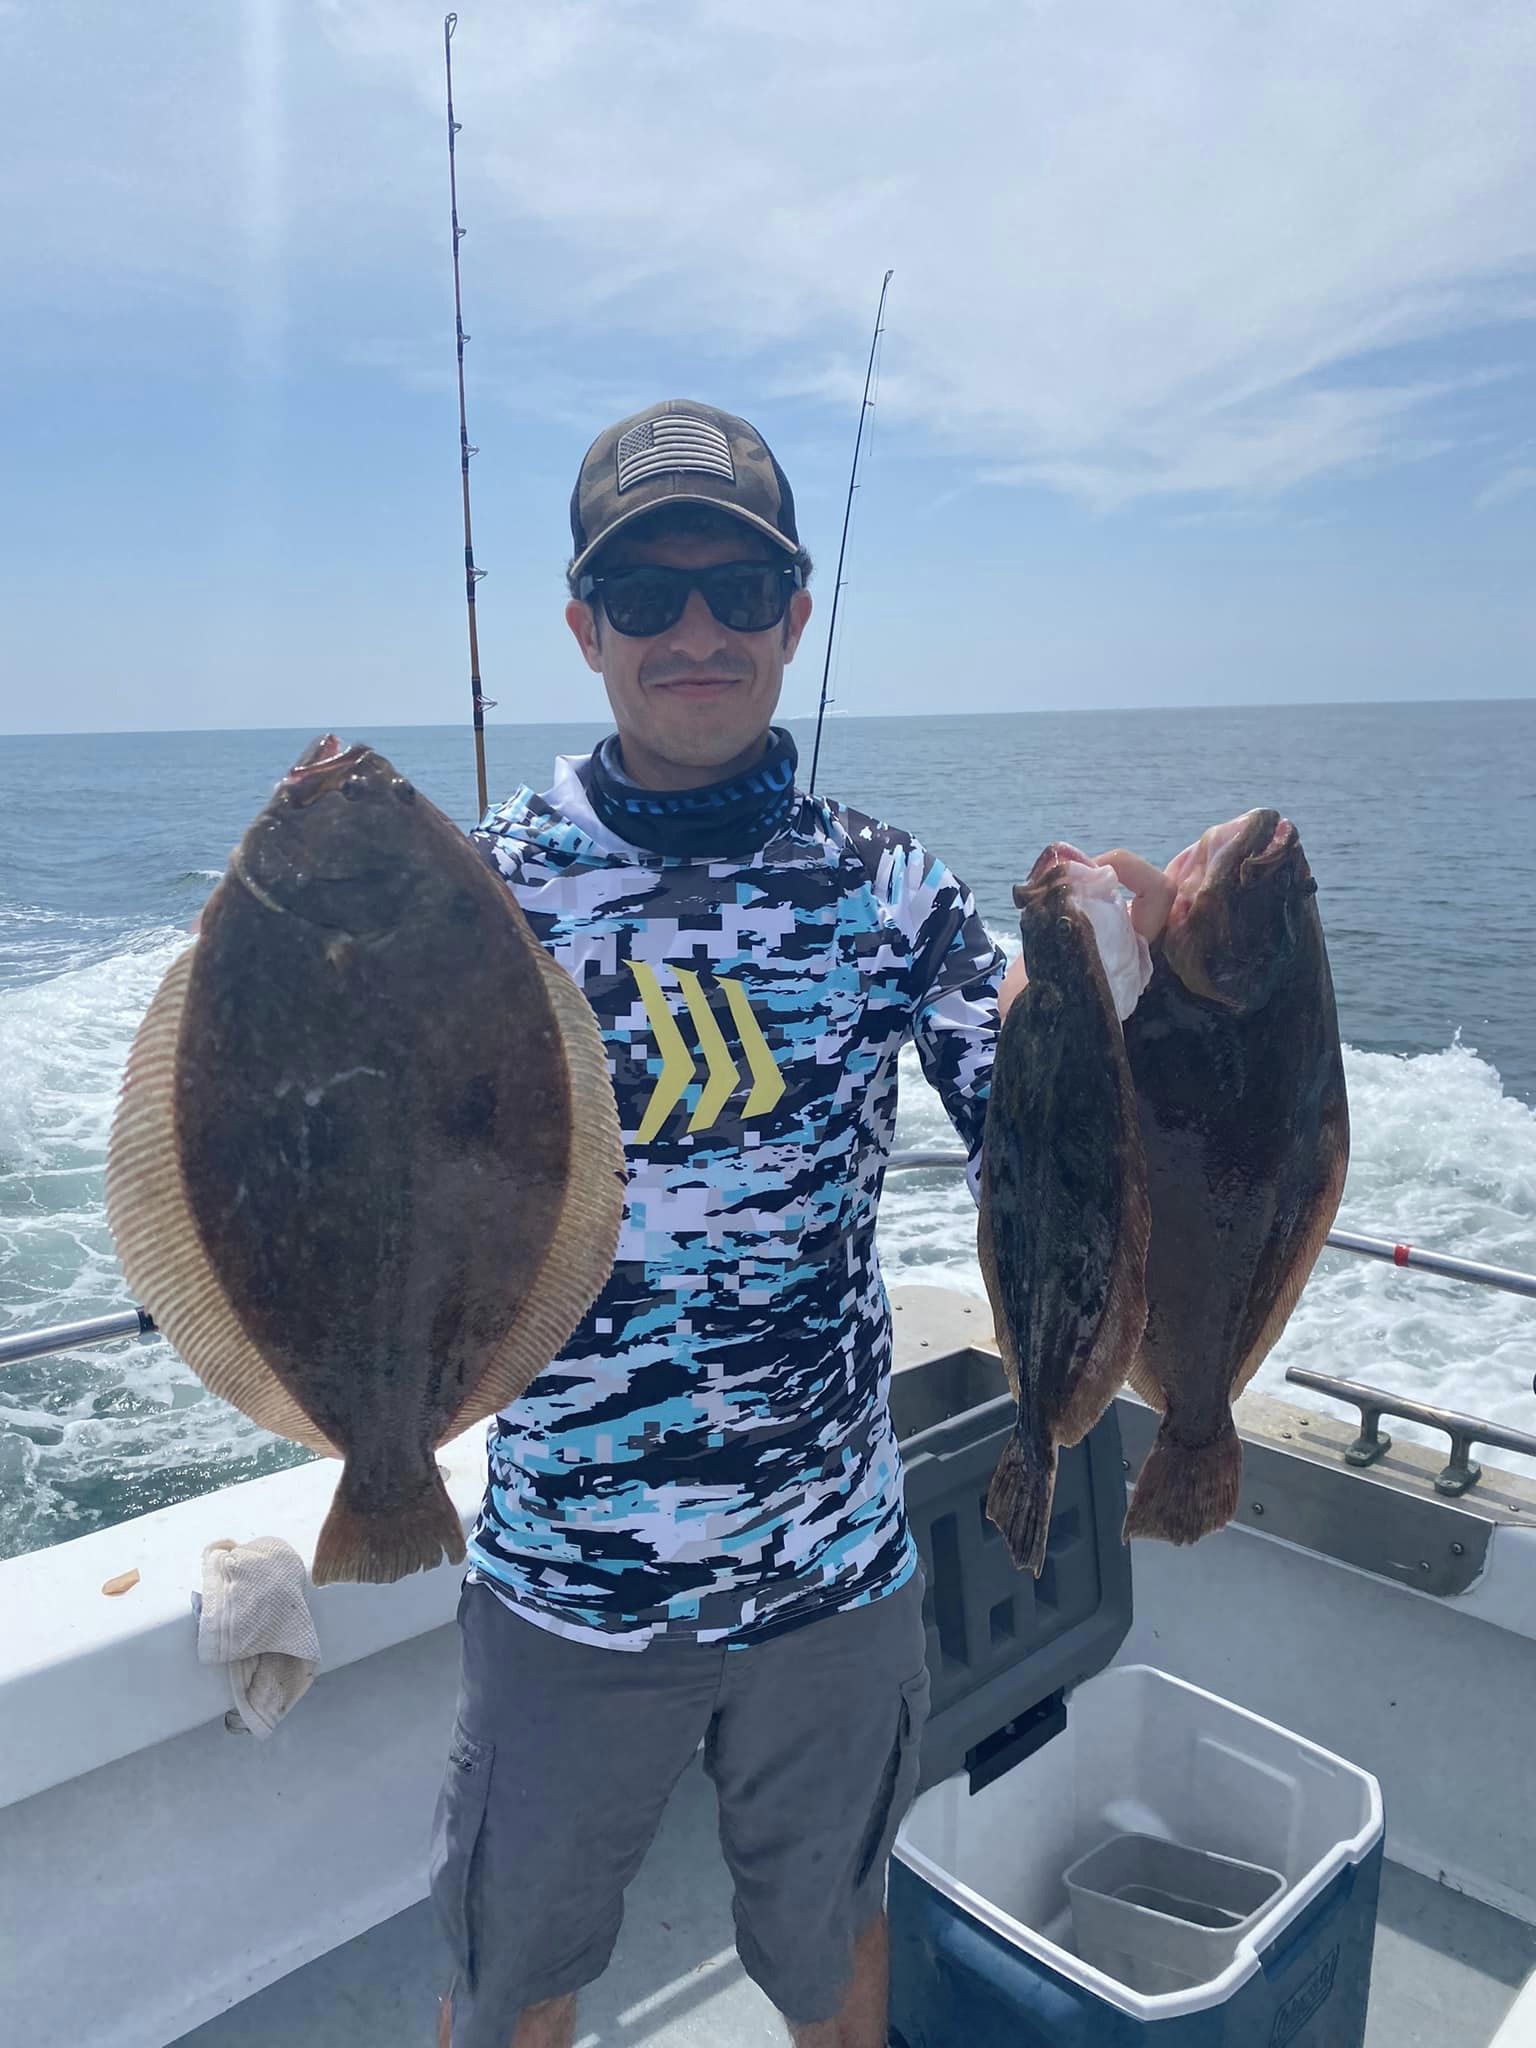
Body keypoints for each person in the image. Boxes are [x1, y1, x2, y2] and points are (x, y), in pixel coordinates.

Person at [430, 400, 1171, 2048]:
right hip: (565, 1591)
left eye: (740, 590)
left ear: (795, 618)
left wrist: (1132, 981)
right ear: (584, 628)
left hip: (833, 1580)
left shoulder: (888, 887)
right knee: (507, 1991)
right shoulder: (483, 896)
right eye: (647, 593)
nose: (695, 629)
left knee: (838, 1962)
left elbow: (1038, 1123)